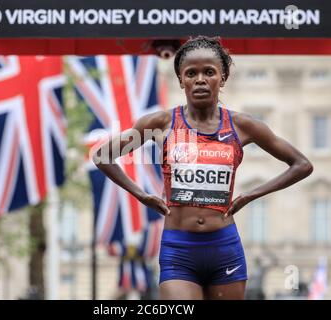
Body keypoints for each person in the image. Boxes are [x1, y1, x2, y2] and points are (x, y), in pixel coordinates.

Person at [92, 36, 313, 300]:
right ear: (180, 80)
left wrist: (249, 196)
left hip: (224, 247)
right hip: (179, 247)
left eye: (209, 72)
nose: (200, 79)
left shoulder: (243, 126)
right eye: (191, 73)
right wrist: (142, 196)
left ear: (223, 78)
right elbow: (103, 155)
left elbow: (301, 165)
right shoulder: (160, 124)